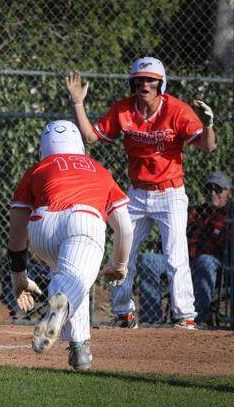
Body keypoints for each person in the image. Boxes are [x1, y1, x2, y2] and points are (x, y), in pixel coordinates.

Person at [66, 57, 217, 330]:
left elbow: (207, 147)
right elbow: (90, 137)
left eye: (150, 80)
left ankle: (185, 317)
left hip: (170, 193)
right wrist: (78, 103)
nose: (144, 84)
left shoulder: (178, 110)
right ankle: (124, 313)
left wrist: (207, 126)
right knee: (122, 255)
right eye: (139, 80)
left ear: (161, 84)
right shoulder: (124, 110)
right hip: (136, 193)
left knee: (175, 255)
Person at [9, 120, 132, 371]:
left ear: (45, 147)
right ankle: (60, 306)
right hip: (83, 221)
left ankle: (79, 350)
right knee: (73, 282)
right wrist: (120, 264)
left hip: (42, 228)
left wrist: (19, 277)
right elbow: (125, 227)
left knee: (70, 275)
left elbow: (17, 229)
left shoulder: (36, 170)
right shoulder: (99, 170)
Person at [134, 171, 231, 326]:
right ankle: (150, 321)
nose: (212, 193)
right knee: (148, 260)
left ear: (228, 192)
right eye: (208, 189)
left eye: (217, 189)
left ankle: (195, 321)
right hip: (180, 260)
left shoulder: (229, 216)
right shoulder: (194, 212)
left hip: (214, 266)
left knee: (204, 261)